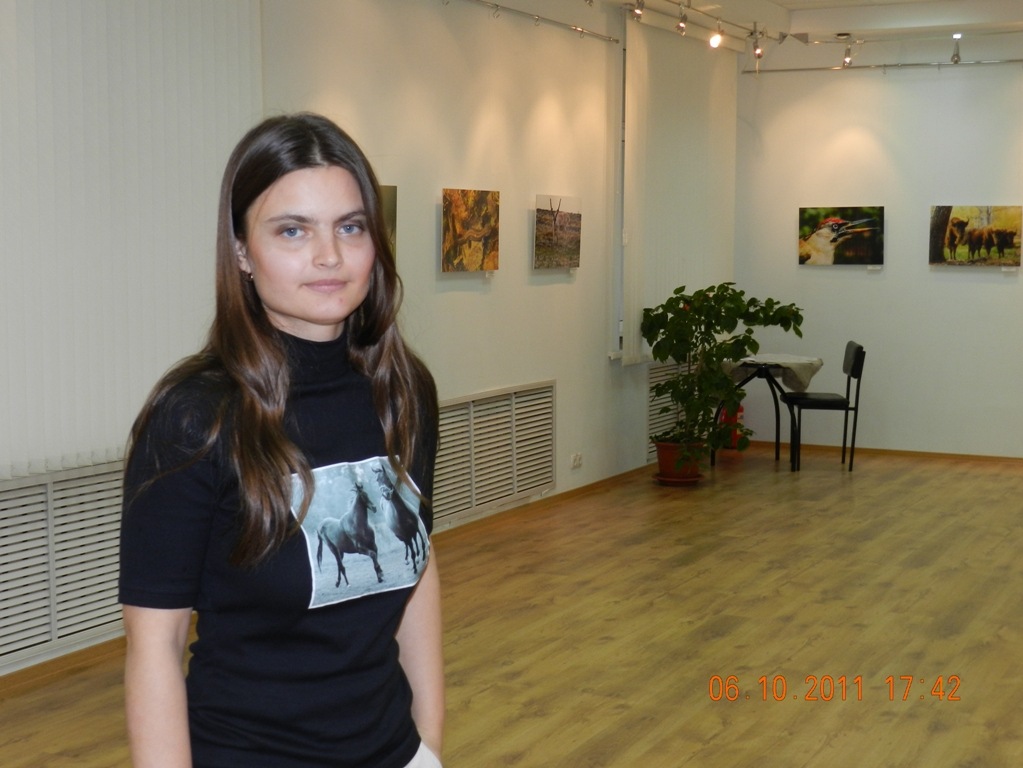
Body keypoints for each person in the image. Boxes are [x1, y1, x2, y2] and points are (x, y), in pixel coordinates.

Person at [119, 113, 443, 768]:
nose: (329, 256)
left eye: (350, 227)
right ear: (242, 251)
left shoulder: (403, 392)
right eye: (293, 230)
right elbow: (156, 644)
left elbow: (414, 561)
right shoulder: (194, 418)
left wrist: (428, 741)